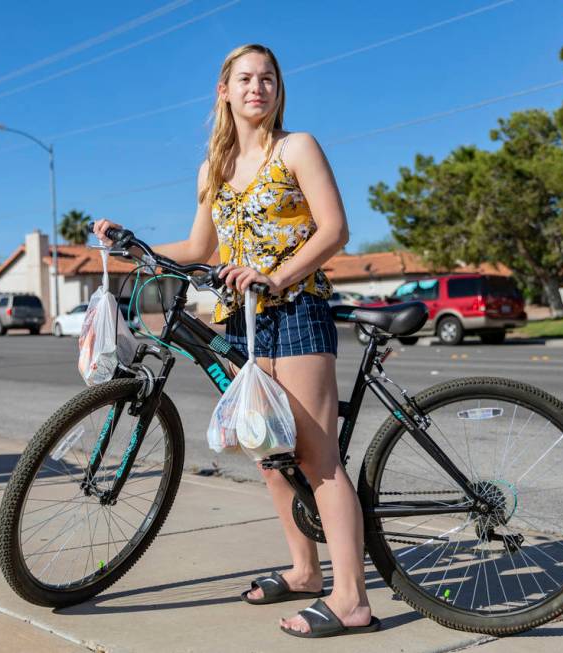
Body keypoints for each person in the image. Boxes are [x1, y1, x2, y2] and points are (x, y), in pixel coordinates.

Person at [94, 43, 379, 638]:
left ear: (279, 89)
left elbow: (335, 230)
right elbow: (201, 249)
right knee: (269, 454)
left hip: (296, 308)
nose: (258, 87)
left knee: (315, 459)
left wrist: (276, 275)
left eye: (268, 78)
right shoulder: (213, 168)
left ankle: (351, 598)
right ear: (223, 91)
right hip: (244, 319)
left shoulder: (295, 147)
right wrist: (132, 242)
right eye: (245, 78)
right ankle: (305, 571)